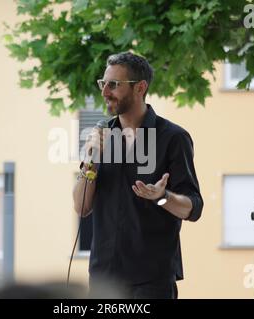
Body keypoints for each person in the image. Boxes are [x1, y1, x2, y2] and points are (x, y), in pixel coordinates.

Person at [72, 52, 203, 299]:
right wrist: (90, 160)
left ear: (140, 88)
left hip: (151, 282)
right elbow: (81, 206)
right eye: (104, 83)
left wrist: (162, 197)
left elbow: (194, 208)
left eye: (114, 85)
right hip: (103, 280)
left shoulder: (173, 138)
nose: (105, 92)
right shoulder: (100, 136)